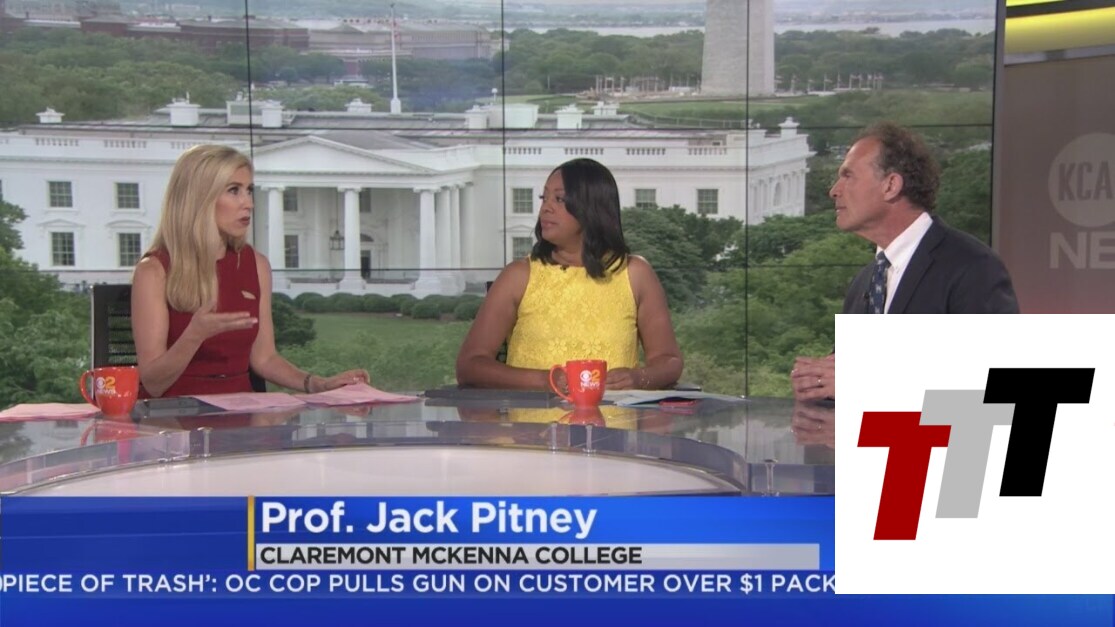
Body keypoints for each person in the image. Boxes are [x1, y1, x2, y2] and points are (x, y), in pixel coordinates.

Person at [792, 122, 1019, 400]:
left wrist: (866, 382)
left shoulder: (972, 267)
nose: (834, 190)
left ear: (891, 185)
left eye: (848, 176)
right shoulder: (865, 282)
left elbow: (997, 390)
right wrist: (819, 384)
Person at [131, 144, 368, 398]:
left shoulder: (256, 265)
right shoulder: (154, 271)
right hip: (174, 412)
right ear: (199, 198)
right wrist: (194, 336)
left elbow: (264, 358)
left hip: (242, 408)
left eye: (249, 190)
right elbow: (153, 383)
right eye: (234, 190)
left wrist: (317, 384)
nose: (249, 204)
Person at [456, 158, 683, 391]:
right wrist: (545, 381)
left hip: (615, 413)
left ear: (592, 208)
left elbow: (669, 361)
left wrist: (639, 378)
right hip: (532, 414)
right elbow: (470, 365)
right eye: (544, 198)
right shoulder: (518, 276)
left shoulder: (635, 274)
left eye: (559, 199)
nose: (546, 208)